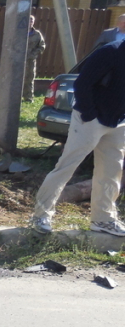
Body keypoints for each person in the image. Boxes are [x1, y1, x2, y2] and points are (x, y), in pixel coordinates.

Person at [31, 39, 125, 236]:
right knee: (67, 166)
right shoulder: (110, 52)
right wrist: (89, 114)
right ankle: (41, 214)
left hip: (117, 123)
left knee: (111, 172)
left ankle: (103, 219)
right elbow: (82, 83)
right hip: (90, 120)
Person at [24, 15, 45, 101]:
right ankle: (15, 96)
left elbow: (42, 45)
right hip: (19, 59)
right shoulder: (20, 32)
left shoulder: (37, 34)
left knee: (30, 77)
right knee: (17, 78)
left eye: (31, 21)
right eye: (28, 20)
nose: (30, 22)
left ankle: (28, 97)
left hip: (30, 60)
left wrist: (34, 54)